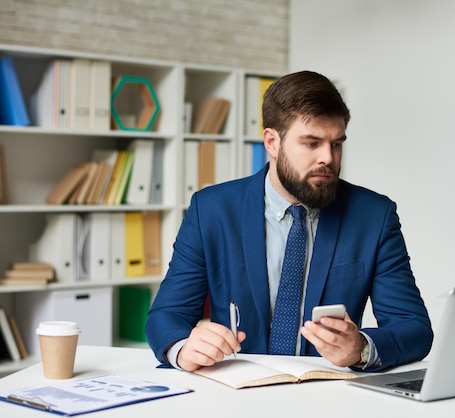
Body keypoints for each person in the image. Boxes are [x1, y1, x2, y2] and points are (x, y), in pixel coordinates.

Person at [145, 70, 433, 372]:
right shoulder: (212, 209)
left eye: (336, 144)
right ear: (272, 141)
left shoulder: (374, 216)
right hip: (235, 391)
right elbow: (166, 316)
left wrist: (360, 348)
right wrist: (183, 348)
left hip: (326, 397)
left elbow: (414, 328)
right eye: (311, 143)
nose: (328, 158)